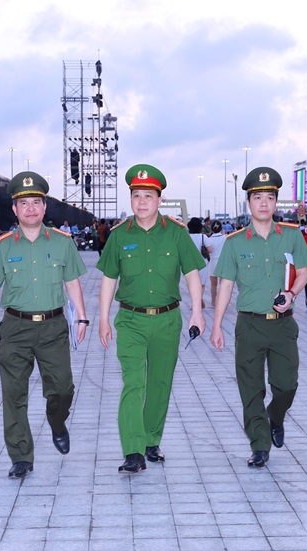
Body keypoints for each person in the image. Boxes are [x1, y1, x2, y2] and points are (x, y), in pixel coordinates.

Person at [0, 171, 89, 479]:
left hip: (53, 327)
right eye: (24, 203)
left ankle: (57, 421)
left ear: (45, 207)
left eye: (36, 202)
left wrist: (81, 316)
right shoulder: (2, 247)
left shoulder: (63, 243)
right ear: (15, 209)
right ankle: (21, 456)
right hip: (15, 328)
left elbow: (72, 282)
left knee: (62, 388)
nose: (31, 208)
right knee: (13, 394)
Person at [97, 163, 206, 474]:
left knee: (160, 382)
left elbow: (192, 274)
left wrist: (197, 312)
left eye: (148, 196)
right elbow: (109, 279)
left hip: (167, 320)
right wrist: (103, 319)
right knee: (133, 383)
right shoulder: (119, 236)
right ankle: (133, 451)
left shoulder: (176, 233)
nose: (142, 202)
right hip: (131, 320)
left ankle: (150, 441)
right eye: (136, 196)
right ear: (130, 199)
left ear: (160, 200)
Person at [210, 166, 307, 468]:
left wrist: (291, 294)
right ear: (249, 203)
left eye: (269, 197)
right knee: (250, 388)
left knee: (287, 385)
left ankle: (275, 416)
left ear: (276, 202)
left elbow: (304, 273)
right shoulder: (235, 242)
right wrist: (217, 326)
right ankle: (259, 444)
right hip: (249, 325)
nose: (264, 203)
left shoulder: (291, 236)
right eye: (257, 198)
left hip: (283, 325)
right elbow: (226, 285)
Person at [187, 217, 209, 308]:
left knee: (192, 283)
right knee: (202, 283)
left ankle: (195, 303)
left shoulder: (186, 237)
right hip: (202, 263)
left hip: (189, 263)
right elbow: (210, 249)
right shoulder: (203, 237)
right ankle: (199, 300)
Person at [205, 220, 227, 307]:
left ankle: (214, 301)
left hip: (213, 262)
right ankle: (222, 301)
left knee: (213, 284)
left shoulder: (209, 239)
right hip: (223, 262)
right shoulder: (225, 238)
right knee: (223, 284)